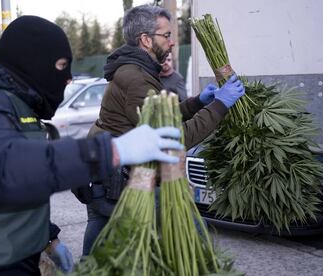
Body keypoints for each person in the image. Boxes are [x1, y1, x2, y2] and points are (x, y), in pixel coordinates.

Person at [0, 15, 183, 275]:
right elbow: (4, 167)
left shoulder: (15, 103)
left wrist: (48, 238)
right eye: (60, 65)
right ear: (33, 62)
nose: (68, 78)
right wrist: (110, 151)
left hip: (11, 256)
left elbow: (24, 183)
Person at [77, 4, 245, 256]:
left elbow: (154, 117)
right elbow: (171, 138)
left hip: (103, 177)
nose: (172, 42)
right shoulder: (136, 78)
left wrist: (198, 102)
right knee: (192, 232)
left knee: (98, 248)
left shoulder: (133, 70)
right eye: (167, 35)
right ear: (145, 40)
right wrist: (221, 105)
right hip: (117, 183)